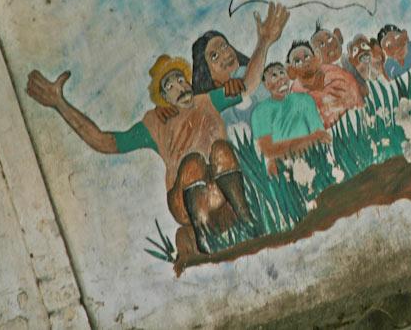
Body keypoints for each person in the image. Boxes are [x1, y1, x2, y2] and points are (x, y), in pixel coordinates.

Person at [25, 55, 252, 263]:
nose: (179, 87)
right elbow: (105, 141)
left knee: (222, 149)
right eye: (169, 86)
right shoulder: (156, 123)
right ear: (163, 98)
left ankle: (246, 217)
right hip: (185, 203)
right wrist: (60, 104)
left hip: (221, 199)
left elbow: (249, 84)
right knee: (193, 163)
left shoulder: (207, 101)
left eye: (180, 80)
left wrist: (265, 41)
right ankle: (201, 233)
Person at [191, 2, 290, 132]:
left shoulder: (256, 80)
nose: (225, 55)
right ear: (206, 73)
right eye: (214, 56)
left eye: (224, 46)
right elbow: (247, 85)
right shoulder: (209, 102)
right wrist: (264, 41)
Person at [251, 62, 331, 174]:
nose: (281, 79)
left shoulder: (305, 100)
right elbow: (269, 151)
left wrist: (291, 147)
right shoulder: (260, 112)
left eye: (282, 73)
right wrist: (309, 140)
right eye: (274, 76)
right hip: (282, 168)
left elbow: (322, 136)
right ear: (266, 85)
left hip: (313, 161)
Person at [286, 41, 364, 128]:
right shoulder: (294, 95)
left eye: (307, 57)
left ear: (317, 57)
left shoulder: (336, 73)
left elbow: (351, 98)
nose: (304, 63)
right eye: (297, 62)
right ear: (291, 70)